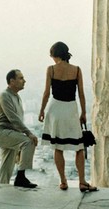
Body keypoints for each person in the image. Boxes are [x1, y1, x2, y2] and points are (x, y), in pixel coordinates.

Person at [38, 41, 98, 192]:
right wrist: (83, 112)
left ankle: (63, 181)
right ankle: (82, 182)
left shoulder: (51, 69)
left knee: (58, 147)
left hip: (55, 108)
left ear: (54, 55)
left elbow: (46, 93)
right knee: (79, 146)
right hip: (71, 108)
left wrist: (41, 110)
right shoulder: (76, 70)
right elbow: (81, 94)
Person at [0, 69, 38, 188]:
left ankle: (3, 188)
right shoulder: (5, 96)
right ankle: (21, 177)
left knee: (7, 164)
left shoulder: (16, 97)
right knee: (28, 142)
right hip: (2, 132)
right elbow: (13, 118)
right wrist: (28, 133)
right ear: (12, 81)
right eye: (21, 78)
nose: (24, 81)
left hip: (10, 133)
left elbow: (17, 120)